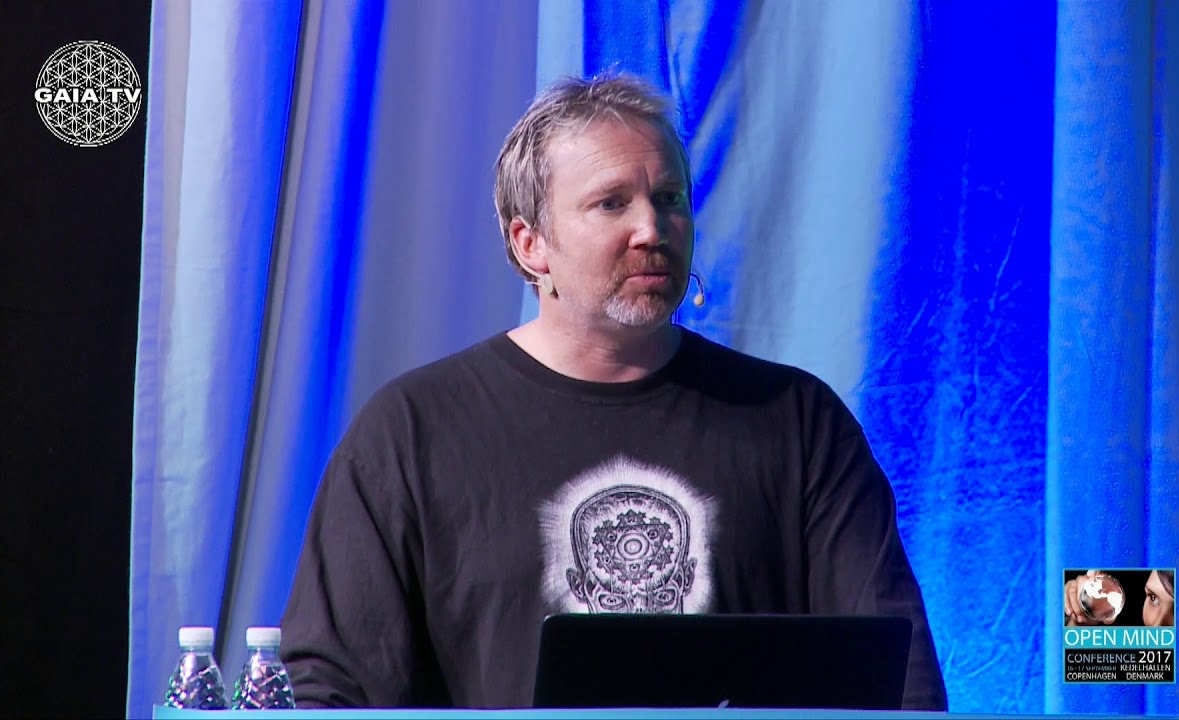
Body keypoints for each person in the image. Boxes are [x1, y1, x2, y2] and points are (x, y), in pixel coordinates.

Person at [279, 73, 947, 711]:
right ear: (531, 244)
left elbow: (899, 682)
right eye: (611, 203)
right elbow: (335, 691)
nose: (652, 230)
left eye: (669, 199)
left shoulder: (797, 422)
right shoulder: (411, 434)